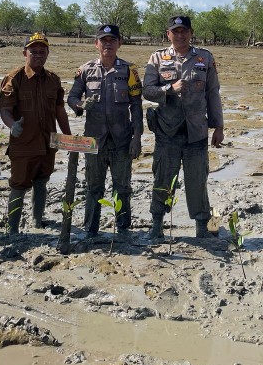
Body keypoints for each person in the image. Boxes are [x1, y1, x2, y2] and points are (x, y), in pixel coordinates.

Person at [143, 14, 224, 239]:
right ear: (168, 34)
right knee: (162, 179)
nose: (180, 35)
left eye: (184, 31)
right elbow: (147, 90)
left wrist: (218, 126)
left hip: (196, 132)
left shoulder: (204, 58)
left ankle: (202, 227)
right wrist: (169, 89)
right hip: (167, 132)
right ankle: (157, 225)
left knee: (197, 180)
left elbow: (213, 93)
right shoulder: (157, 58)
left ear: (191, 33)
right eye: (175, 31)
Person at [67, 24, 143, 239]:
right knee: (93, 187)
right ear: (96, 43)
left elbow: (136, 105)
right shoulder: (85, 70)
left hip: (121, 140)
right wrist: (80, 105)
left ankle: (123, 229)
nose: (108, 44)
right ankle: (91, 230)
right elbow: (71, 97)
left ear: (119, 43)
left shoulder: (130, 70)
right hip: (94, 141)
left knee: (122, 187)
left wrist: (137, 137)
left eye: (112, 40)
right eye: (104, 40)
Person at [0, 32, 72, 233]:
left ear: (47, 53)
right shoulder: (14, 78)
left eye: (42, 51)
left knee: (42, 183)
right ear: (25, 53)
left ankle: (37, 222)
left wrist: (68, 136)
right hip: (23, 144)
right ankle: (12, 228)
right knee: (18, 186)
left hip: (49, 143)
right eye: (34, 51)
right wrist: (12, 125)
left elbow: (59, 110)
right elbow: (5, 109)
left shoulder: (53, 80)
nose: (38, 54)